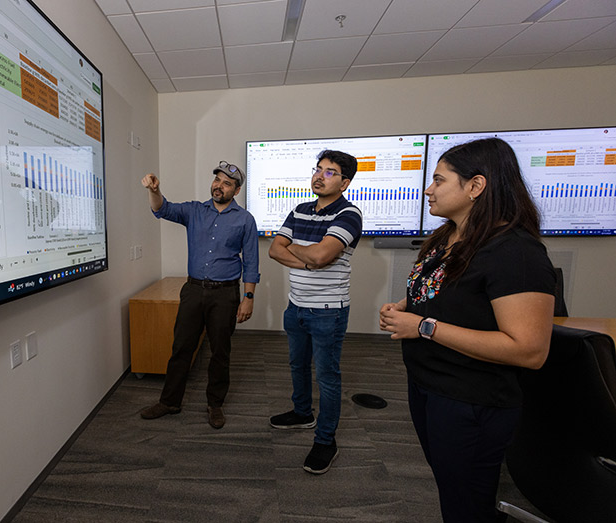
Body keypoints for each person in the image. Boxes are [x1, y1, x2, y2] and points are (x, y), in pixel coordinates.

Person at [379, 138, 555, 523]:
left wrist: (423, 326)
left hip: (470, 399)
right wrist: (407, 306)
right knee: (453, 489)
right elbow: (449, 293)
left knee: (467, 505)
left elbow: (529, 349)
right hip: (429, 385)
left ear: (475, 186)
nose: (429, 189)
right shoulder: (448, 237)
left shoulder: (515, 252)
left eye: (439, 180)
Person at [139, 161, 260, 429]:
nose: (219, 186)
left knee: (220, 352)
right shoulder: (194, 210)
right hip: (193, 291)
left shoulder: (245, 220)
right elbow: (162, 209)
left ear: (236, 190)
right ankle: (170, 401)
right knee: (181, 348)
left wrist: (248, 298)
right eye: (217, 180)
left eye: (227, 183)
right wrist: (154, 191)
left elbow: (251, 262)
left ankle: (215, 404)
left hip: (225, 294)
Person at [268, 149, 362, 474]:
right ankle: (302, 413)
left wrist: (299, 249)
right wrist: (309, 258)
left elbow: (321, 256)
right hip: (295, 306)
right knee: (297, 365)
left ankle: (325, 440)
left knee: (327, 376)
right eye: (318, 169)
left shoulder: (349, 214)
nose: (320, 176)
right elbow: (274, 250)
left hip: (327, 311)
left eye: (330, 172)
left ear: (345, 182)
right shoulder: (299, 210)